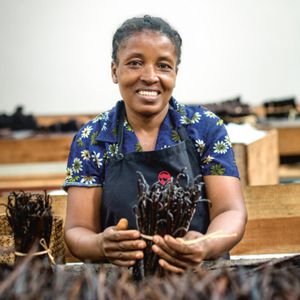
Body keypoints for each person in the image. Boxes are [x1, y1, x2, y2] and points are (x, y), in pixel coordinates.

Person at [63, 15, 247, 273]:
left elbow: (231, 211)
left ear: (175, 73)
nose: (150, 77)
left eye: (163, 66)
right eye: (135, 63)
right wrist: (100, 245)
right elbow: (76, 230)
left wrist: (204, 245)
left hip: (201, 282)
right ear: (115, 71)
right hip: (118, 286)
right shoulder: (93, 138)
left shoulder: (205, 128)